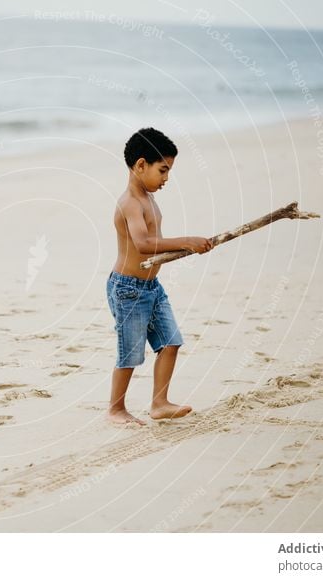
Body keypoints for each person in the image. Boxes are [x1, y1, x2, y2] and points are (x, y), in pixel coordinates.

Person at [107, 128, 212, 424]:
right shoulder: (130, 202)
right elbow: (142, 244)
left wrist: (189, 247)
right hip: (128, 289)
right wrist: (186, 240)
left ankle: (159, 403)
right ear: (141, 165)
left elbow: (154, 244)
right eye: (162, 170)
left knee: (170, 342)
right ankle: (115, 409)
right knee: (130, 352)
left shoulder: (149, 198)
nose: (166, 178)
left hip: (151, 287)